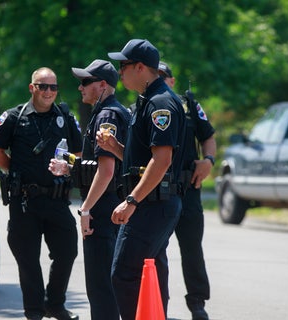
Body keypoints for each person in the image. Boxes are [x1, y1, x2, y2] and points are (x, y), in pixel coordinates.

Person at [98, 39, 187, 319]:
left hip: (152, 205)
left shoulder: (161, 103)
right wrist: (116, 149)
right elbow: (142, 162)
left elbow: (162, 162)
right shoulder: (146, 100)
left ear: (140, 67)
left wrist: (131, 201)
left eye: (123, 66)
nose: (119, 71)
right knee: (151, 273)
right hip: (151, 201)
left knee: (124, 274)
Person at [0, 67, 83, 320]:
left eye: (53, 87)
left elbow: (80, 153)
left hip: (57, 198)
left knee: (67, 251)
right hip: (25, 201)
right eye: (43, 86)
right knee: (28, 260)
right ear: (32, 88)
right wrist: (17, 171)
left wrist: (68, 167)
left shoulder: (64, 116)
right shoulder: (14, 117)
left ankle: (55, 302)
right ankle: (34, 311)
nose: (49, 92)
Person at [50, 59, 130, 320]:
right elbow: (97, 165)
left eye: (86, 82)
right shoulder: (106, 111)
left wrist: (85, 210)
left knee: (101, 288)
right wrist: (69, 168)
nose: (80, 87)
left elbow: (106, 172)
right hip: (108, 206)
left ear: (103, 85)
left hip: (103, 210)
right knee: (103, 285)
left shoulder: (107, 115)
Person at [159, 61, 216, 320]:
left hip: (189, 188)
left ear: (172, 81)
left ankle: (197, 302)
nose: (160, 80)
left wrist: (209, 161)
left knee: (192, 247)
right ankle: (156, 302)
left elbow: (208, 136)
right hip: (159, 190)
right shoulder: (142, 107)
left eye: (164, 76)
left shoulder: (190, 105)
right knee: (154, 248)